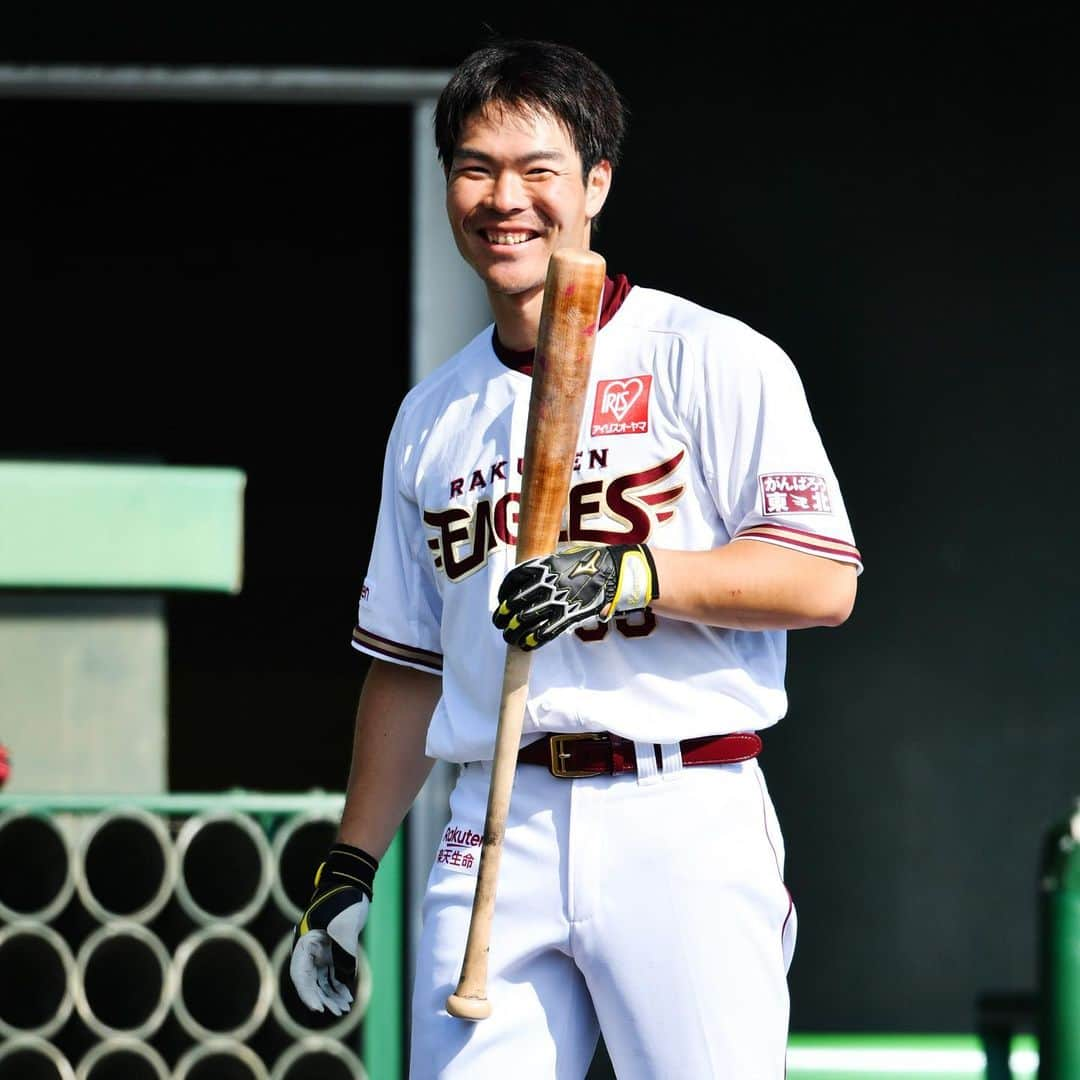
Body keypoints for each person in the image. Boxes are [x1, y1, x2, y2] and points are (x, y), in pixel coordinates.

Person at [289, 35, 862, 1080]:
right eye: (475, 168)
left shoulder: (710, 357)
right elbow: (412, 664)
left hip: (678, 801)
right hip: (494, 820)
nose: (503, 199)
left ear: (595, 183)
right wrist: (350, 864)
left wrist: (632, 573)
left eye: (537, 170)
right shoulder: (433, 416)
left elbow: (822, 582)